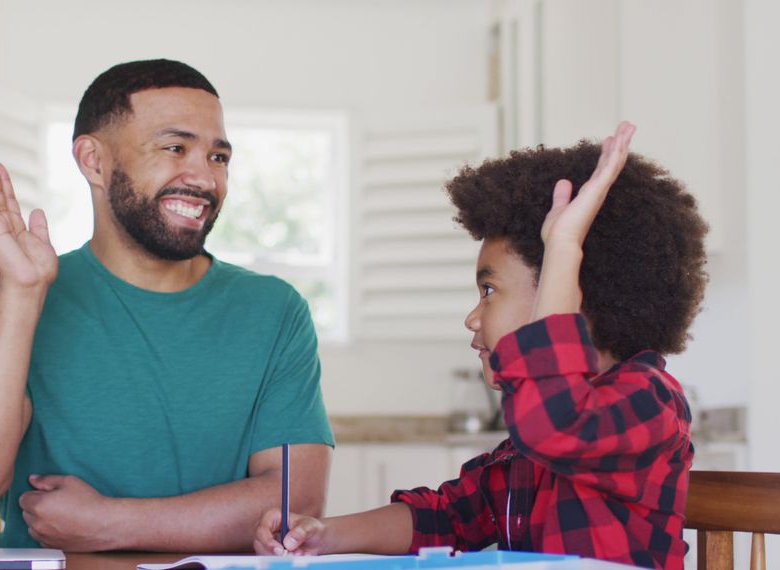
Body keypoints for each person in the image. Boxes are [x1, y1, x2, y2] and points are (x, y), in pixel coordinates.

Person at [0, 59, 335, 552]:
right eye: (175, 148)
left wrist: (108, 524)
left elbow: (294, 502)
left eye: (218, 158)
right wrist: (23, 296)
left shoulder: (274, 311)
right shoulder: (4, 303)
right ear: (93, 160)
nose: (204, 178)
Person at [254, 122, 707, 570]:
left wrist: (564, 247)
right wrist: (326, 534)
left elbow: (558, 424)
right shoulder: (526, 450)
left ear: (569, 292)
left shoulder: (650, 400)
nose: (472, 317)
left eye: (488, 291)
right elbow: (447, 517)